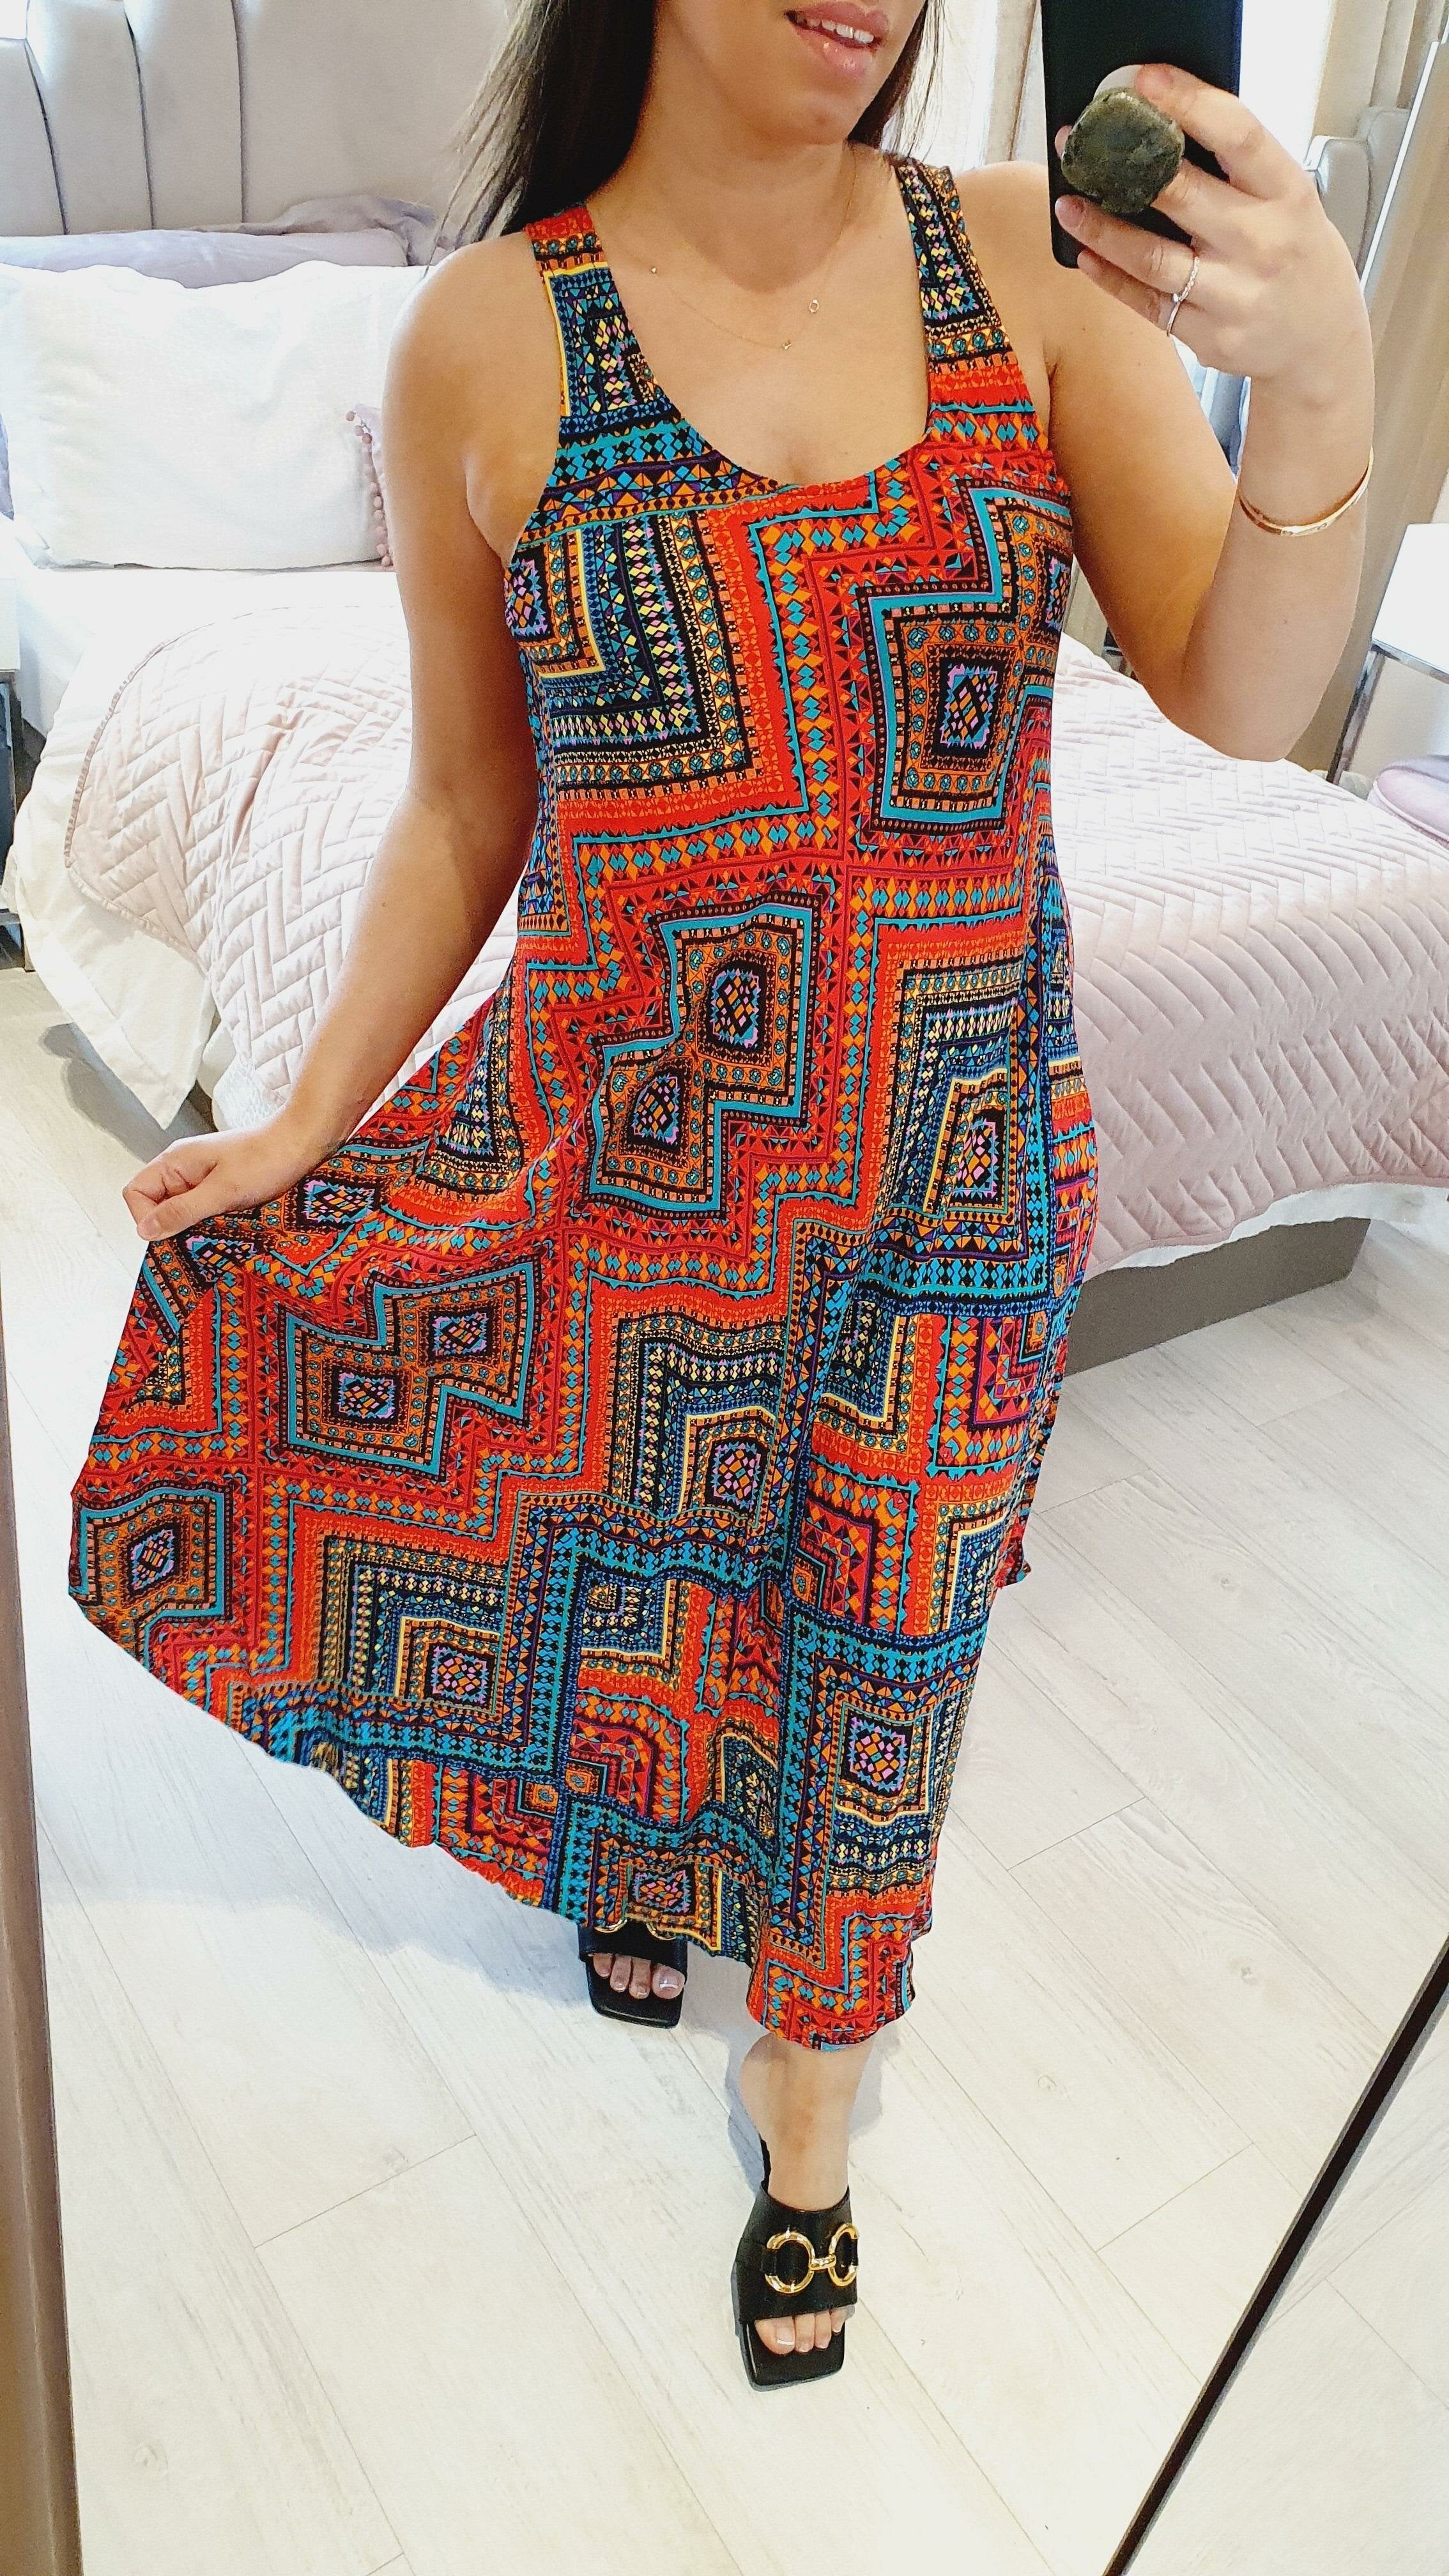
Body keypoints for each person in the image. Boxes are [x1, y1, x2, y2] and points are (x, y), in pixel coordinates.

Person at [71, 0, 1373, 2387]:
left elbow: (1234, 696)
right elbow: (464, 806)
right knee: (628, 1569)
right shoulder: (484, 338)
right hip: (624, 1149)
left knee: (887, 1648)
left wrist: (1315, 378)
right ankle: (640, 1864)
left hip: (952, 1172)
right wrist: (309, 1122)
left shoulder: (1030, 265)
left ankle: (811, 2092)